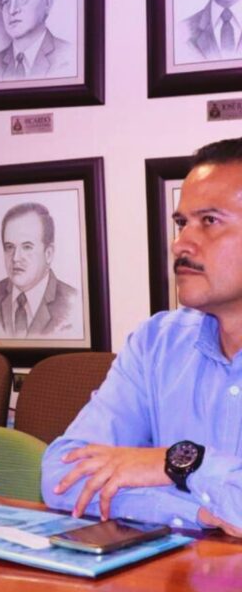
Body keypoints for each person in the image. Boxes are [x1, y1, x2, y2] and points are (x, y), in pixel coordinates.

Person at [41, 138, 242, 537]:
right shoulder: (157, 343)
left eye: (209, 221)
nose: (180, 243)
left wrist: (181, 463)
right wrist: (200, 512)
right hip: (181, 573)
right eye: (182, 223)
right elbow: (62, 475)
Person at [0, 202, 78, 338]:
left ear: (48, 254)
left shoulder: (73, 304)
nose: (15, 258)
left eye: (27, 247)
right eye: (9, 247)